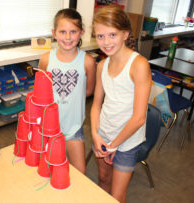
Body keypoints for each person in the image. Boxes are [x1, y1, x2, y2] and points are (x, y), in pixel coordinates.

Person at [90, 4, 151, 203]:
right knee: (103, 178)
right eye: (100, 36)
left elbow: (139, 118)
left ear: (125, 34)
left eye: (112, 35)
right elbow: (97, 105)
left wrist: (114, 146)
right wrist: (95, 134)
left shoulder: (139, 65)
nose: (106, 42)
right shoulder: (102, 65)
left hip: (126, 142)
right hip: (104, 135)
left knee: (117, 196)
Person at [39, 8, 96, 174]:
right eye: (62, 32)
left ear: (81, 33)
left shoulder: (88, 61)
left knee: (80, 174)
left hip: (74, 128)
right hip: (48, 126)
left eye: (73, 31)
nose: (68, 37)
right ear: (54, 33)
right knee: (46, 171)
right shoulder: (46, 59)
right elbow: (41, 93)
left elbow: (88, 91)